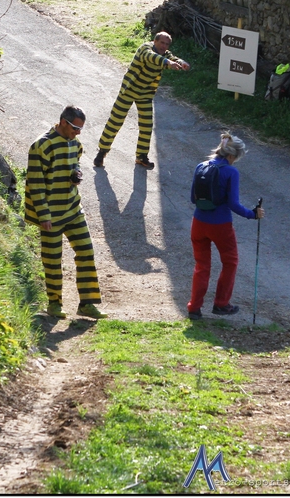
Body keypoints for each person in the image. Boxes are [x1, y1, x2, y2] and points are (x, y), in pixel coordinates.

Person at [24, 106, 107, 319]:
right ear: (63, 122)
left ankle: (87, 304)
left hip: (73, 209)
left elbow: (74, 164)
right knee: (52, 260)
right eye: (74, 128)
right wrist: (43, 216)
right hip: (50, 215)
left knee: (86, 252)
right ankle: (54, 304)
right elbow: (35, 183)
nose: (77, 133)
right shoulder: (41, 146)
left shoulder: (75, 144)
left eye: (80, 129)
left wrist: (75, 174)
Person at [187, 132, 264, 319]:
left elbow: (193, 199)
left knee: (202, 265)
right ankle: (221, 304)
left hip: (198, 223)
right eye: (236, 158)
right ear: (231, 155)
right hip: (220, 225)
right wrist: (252, 214)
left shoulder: (201, 166)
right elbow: (233, 204)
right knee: (230, 262)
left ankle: (194, 308)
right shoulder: (231, 172)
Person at [93, 31, 190, 170]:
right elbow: (151, 57)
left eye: (167, 44)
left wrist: (182, 63)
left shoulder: (165, 55)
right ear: (155, 41)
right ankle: (102, 152)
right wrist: (168, 62)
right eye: (162, 43)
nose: (164, 46)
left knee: (146, 125)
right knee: (115, 121)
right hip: (129, 89)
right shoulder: (145, 48)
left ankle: (141, 157)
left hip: (145, 94)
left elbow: (173, 58)